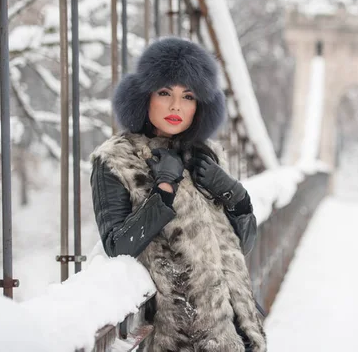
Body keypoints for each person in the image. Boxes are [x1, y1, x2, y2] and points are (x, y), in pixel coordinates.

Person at [89, 37, 267, 352]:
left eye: (188, 96)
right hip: (180, 341)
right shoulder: (118, 158)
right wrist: (165, 190)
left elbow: (243, 247)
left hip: (239, 336)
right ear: (144, 96)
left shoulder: (206, 154)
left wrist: (234, 195)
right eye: (164, 93)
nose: (175, 106)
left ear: (200, 105)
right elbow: (117, 245)